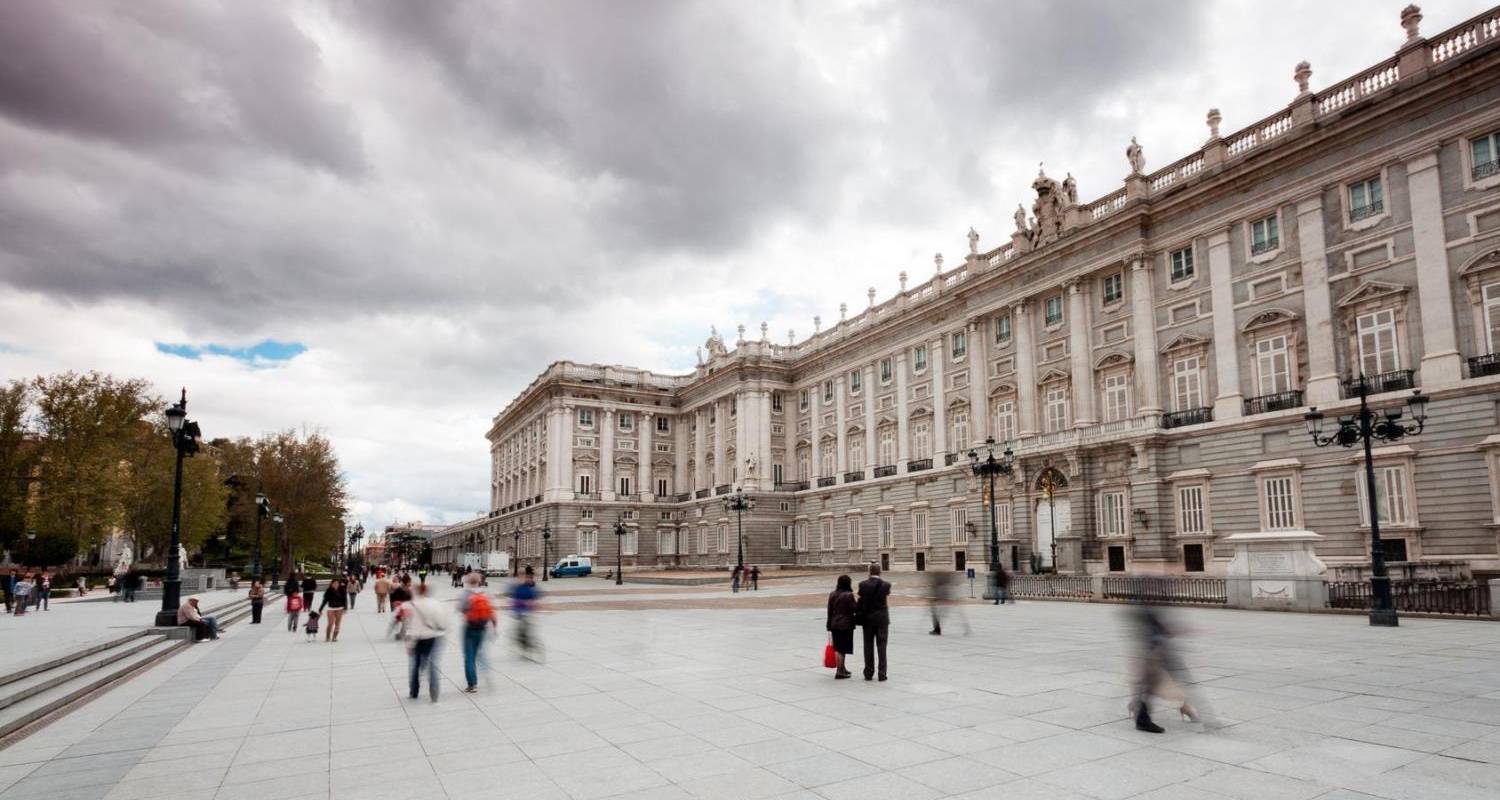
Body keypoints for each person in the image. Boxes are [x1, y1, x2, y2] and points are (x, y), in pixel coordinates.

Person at [1131, 603, 1200, 733]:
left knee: (1169, 674)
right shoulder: (1149, 594)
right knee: (1156, 678)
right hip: (1156, 641)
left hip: (1156, 639)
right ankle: (1142, 715)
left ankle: (1185, 706)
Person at [396, 583, 447, 701]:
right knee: (433, 666)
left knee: (415, 665)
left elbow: (404, 622)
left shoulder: (407, 605)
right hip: (433, 637)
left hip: (415, 638)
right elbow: (442, 623)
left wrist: (405, 638)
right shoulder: (435, 604)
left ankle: (414, 691)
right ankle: (434, 693)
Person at [459, 572, 496, 693]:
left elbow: (461, 609)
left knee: (469, 657)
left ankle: (472, 684)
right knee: (480, 653)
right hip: (483, 628)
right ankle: (486, 672)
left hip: (470, 627)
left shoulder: (465, 594)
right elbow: (491, 611)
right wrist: (494, 626)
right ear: (479, 581)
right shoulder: (486, 593)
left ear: (469, 582)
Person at [857, 563, 891, 682]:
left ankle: (868, 672)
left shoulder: (863, 585)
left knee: (868, 646)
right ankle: (882, 673)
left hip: (868, 619)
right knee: (882, 646)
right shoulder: (886, 585)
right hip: (882, 619)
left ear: (869, 572)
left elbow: (861, 600)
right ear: (880, 572)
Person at [826, 575, 857, 679]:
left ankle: (842, 667)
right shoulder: (849, 595)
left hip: (835, 623)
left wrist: (828, 625)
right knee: (842, 648)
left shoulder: (832, 594)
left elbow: (829, 611)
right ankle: (840, 671)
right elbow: (854, 609)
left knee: (839, 647)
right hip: (846, 624)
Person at [509, 566, 541, 660]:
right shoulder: (516, 587)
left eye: (523, 575)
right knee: (520, 633)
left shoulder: (528, 585)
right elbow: (512, 599)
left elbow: (535, 597)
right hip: (519, 613)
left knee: (525, 632)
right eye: (520, 576)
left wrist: (532, 604)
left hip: (527, 613)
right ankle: (526, 648)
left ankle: (530, 647)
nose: (521, 578)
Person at [929, 569, 969, 636]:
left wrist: (935, 599)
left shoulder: (940, 582)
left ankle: (937, 630)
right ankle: (966, 628)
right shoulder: (944, 581)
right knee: (954, 615)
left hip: (944, 601)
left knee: (939, 615)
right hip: (945, 600)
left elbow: (941, 592)